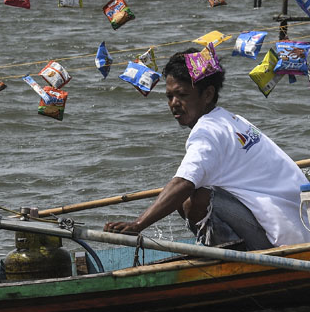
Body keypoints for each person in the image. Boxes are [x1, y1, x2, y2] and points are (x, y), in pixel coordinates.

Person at [104, 48, 310, 250]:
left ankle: (233, 258)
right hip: (303, 226)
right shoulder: (232, 119)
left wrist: (138, 225)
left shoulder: (207, 132)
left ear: (208, 94)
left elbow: (183, 184)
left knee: (190, 198)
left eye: (182, 95)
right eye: (169, 96)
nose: (174, 103)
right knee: (194, 188)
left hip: (286, 242)